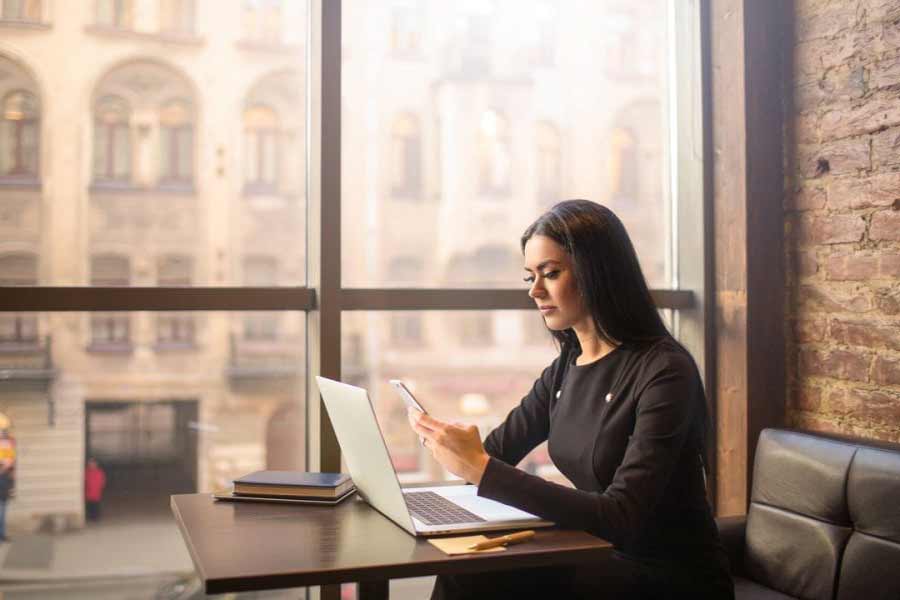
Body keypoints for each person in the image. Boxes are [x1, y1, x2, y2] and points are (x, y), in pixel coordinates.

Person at [409, 200, 734, 599]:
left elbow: (620, 515)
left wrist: (481, 467)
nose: (534, 290)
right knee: (467, 568)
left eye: (551, 273)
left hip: (668, 577)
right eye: (530, 275)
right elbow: (495, 452)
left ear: (598, 273)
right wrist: (453, 447)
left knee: (473, 578)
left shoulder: (665, 371)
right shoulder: (566, 366)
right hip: (601, 556)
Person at [0, 415, 16, 542]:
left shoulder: (6, 443)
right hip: (3, 480)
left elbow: (8, 463)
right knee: (2, 509)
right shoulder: (6, 443)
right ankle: (2, 534)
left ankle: (2, 534)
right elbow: (8, 464)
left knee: (3, 509)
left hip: (4, 481)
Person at [85, 458, 107, 522]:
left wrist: (100, 487)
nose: (92, 465)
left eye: (93, 464)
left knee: (96, 505)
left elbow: (103, 481)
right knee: (89, 505)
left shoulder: (99, 472)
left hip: (96, 492)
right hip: (88, 492)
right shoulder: (87, 472)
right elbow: (85, 480)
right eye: (90, 464)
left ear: (96, 464)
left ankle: (96, 517)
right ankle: (90, 516)